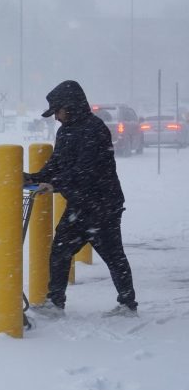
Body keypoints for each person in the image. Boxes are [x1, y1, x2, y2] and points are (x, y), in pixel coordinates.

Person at [24, 80, 137, 318]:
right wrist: (33, 178)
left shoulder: (94, 130)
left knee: (111, 254)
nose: (55, 117)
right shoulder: (66, 130)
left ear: (71, 106)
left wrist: (53, 185)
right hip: (82, 205)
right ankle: (56, 303)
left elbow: (85, 172)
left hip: (101, 204)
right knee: (63, 251)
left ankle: (127, 305)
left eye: (57, 111)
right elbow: (57, 165)